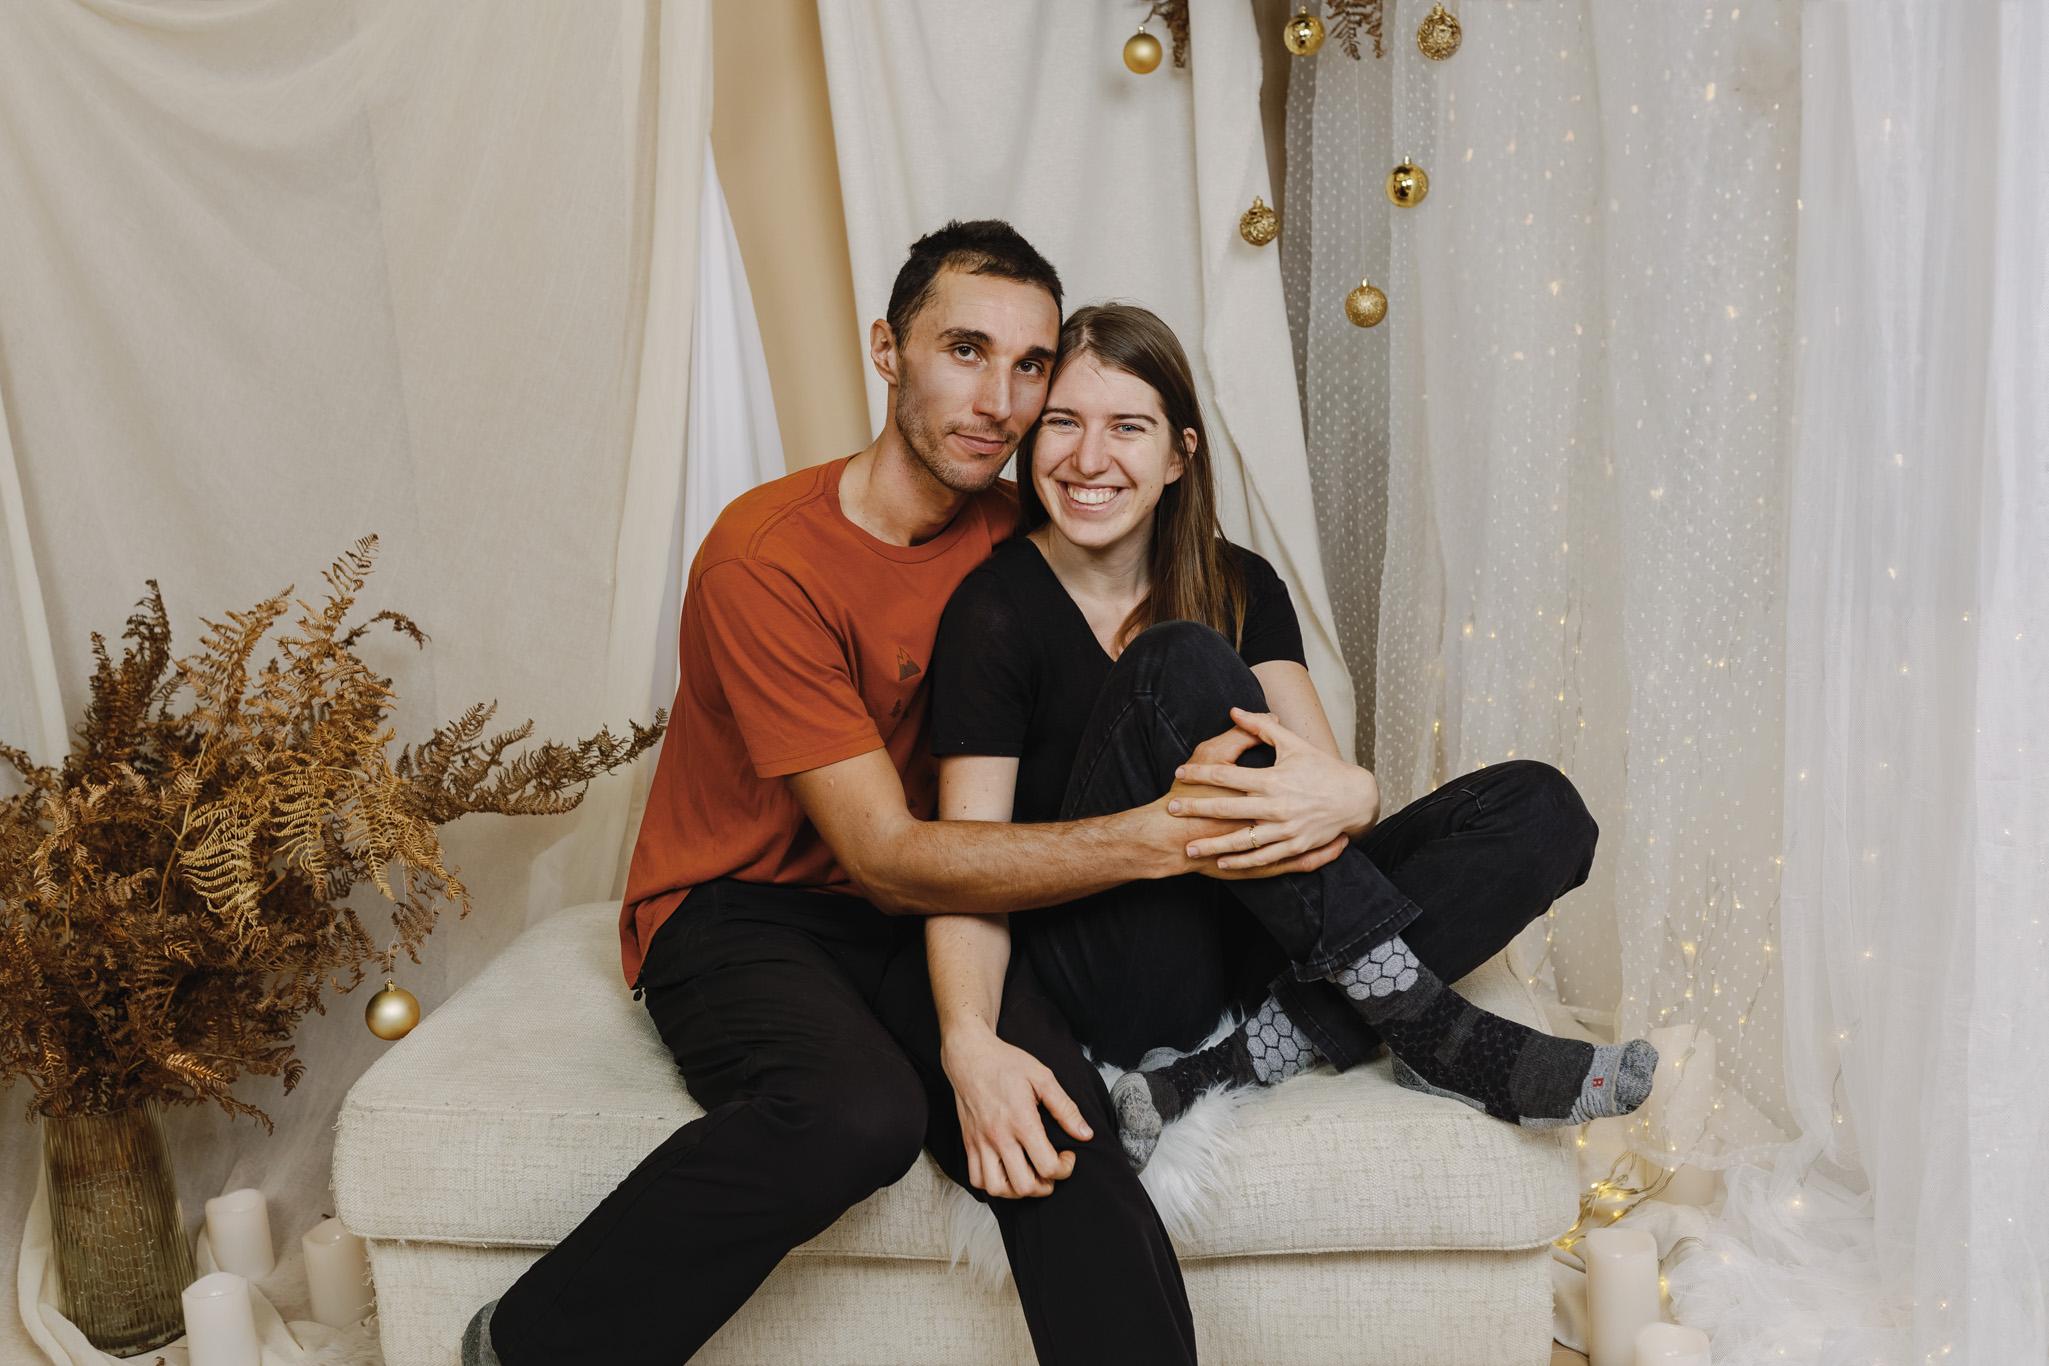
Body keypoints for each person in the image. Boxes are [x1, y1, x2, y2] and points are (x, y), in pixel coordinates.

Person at [462, 222, 1345, 1366]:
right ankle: (528, 1345)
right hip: (739, 909)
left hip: (936, 910)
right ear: (888, 350)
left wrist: (1328, 788)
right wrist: (1163, 840)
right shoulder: (766, 558)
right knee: (861, 1114)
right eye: (965, 350)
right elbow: (882, 854)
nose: (1000, 400)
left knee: (1054, 1117)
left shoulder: (1030, 531)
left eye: (1030, 365)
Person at [924, 302, 1656, 1173]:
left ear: (1178, 454)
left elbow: (1322, 804)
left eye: (1126, 427)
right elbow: (965, 863)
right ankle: (1433, 1030)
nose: (1088, 459)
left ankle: (1237, 1060)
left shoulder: (1240, 582)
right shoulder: (994, 610)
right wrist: (966, 1036)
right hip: (1118, 966)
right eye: (1061, 424)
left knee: (1543, 807)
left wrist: (1359, 792)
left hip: (1258, 942)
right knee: (1178, 661)